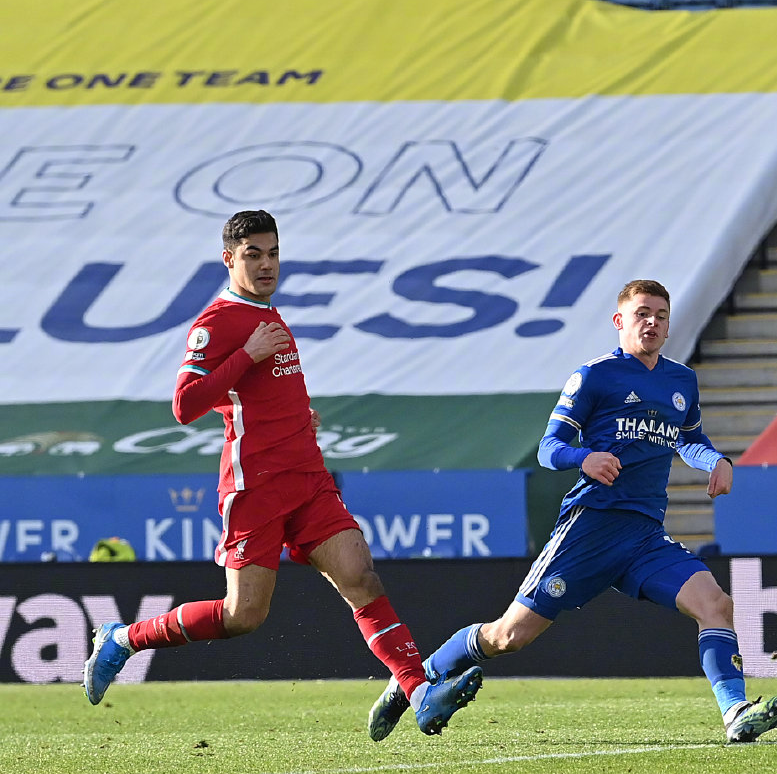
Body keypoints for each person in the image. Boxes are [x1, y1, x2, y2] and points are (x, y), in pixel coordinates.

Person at [82, 210, 483, 736]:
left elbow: (258, 396)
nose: (267, 264)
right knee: (242, 616)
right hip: (257, 488)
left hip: (307, 477)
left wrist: (299, 417)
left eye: (272, 253)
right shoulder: (217, 323)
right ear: (230, 259)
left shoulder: (268, 312)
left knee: (361, 577)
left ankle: (419, 690)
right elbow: (184, 405)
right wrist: (246, 355)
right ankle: (123, 639)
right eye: (253, 254)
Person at [366, 280, 777, 744]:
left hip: (644, 534)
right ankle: (416, 678)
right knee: (510, 637)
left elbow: (689, 438)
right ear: (620, 322)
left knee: (715, 604)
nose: (651, 322)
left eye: (660, 314)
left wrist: (716, 461)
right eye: (641, 314)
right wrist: (584, 458)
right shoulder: (594, 376)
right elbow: (548, 448)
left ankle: (736, 712)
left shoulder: (681, 381)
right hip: (590, 527)